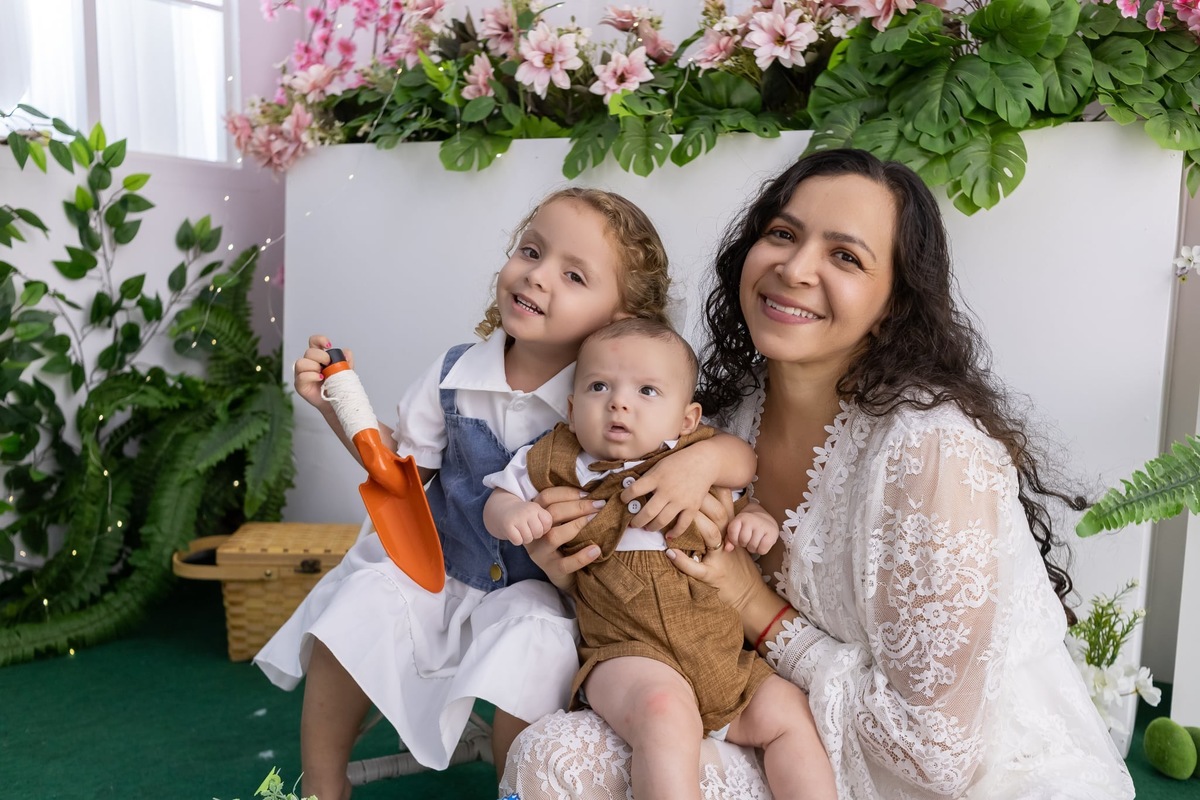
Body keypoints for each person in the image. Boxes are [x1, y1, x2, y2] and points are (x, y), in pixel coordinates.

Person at [501, 150, 1136, 799]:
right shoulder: (722, 417)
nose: (795, 268)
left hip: (962, 776)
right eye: (782, 234)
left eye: (846, 256)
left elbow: (939, 755)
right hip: (790, 730)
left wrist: (754, 605)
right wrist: (570, 562)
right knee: (555, 758)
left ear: (895, 303)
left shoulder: (932, 454)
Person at [254, 188, 691, 800]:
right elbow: (400, 470)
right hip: (443, 565)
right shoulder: (454, 373)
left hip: (537, 587)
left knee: (533, 644)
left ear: (622, 317)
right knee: (361, 602)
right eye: (530, 251)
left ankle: (518, 785)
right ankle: (321, 789)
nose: (537, 276)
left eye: (573, 274)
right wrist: (338, 408)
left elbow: (694, 450)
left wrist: (712, 462)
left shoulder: (618, 403)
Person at [483, 318, 836, 800]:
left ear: (687, 419)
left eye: (647, 390)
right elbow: (499, 493)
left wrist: (753, 519)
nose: (619, 402)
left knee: (790, 715)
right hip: (627, 651)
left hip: (720, 655)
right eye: (599, 386)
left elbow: (740, 470)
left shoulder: (690, 456)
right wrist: (512, 515)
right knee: (664, 712)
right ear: (571, 407)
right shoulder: (561, 457)